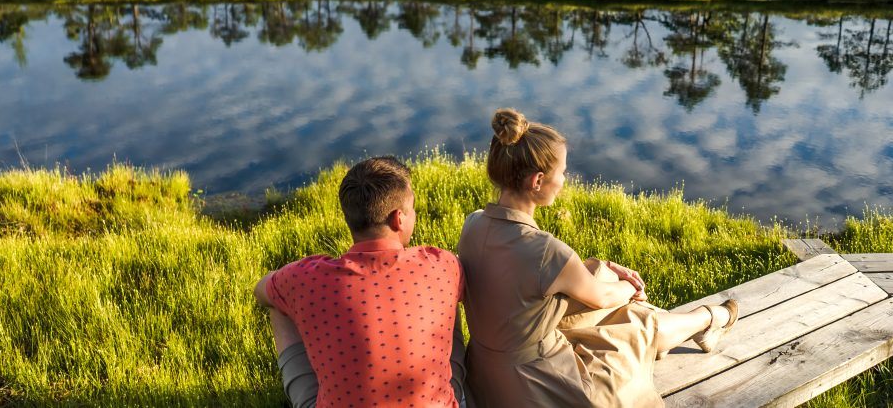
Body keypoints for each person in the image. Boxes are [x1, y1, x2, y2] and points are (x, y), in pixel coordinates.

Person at [458, 108, 739, 407]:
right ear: (538, 180)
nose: (565, 180)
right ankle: (711, 317)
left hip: (485, 380)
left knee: (602, 280)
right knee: (638, 317)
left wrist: (600, 268)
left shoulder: (473, 225)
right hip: (535, 388)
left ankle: (695, 327)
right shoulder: (545, 250)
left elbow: (532, 283)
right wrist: (631, 286)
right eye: (563, 172)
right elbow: (603, 297)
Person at [254, 156, 467, 408]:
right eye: (412, 209)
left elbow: (261, 290)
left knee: (278, 301)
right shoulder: (440, 265)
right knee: (446, 298)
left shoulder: (305, 279)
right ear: (399, 218)